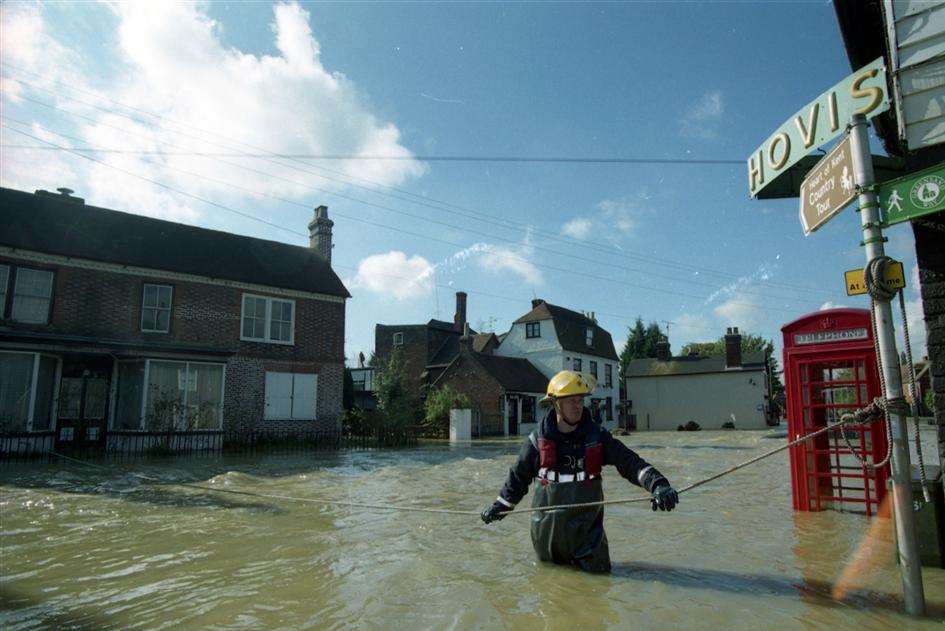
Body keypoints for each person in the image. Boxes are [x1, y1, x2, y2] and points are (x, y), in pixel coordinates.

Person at [480, 370, 679, 573]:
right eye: (571, 401)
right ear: (556, 403)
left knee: (597, 589)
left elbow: (630, 462)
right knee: (551, 591)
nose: (577, 406)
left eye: (580, 400)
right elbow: (518, 478)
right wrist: (499, 507)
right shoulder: (536, 441)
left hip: (589, 542)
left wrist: (658, 485)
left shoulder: (598, 437)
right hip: (547, 538)